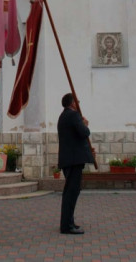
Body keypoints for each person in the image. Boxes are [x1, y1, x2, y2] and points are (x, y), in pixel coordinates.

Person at [57, 93, 93, 234]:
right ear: (72, 103)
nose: (78, 103)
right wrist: (85, 125)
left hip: (69, 159)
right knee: (71, 193)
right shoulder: (73, 115)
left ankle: (69, 221)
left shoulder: (64, 115)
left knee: (71, 192)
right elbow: (84, 132)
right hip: (73, 159)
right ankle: (66, 226)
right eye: (77, 101)